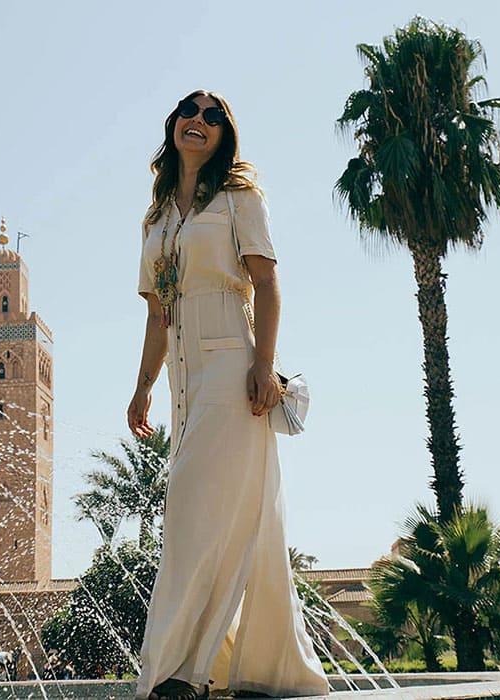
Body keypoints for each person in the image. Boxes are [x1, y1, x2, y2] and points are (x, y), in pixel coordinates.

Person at [128, 90, 328, 700]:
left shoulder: (240, 198)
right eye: (191, 110)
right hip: (184, 381)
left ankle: (179, 672)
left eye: (214, 116)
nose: (200, 120)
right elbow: (158, 316)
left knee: (189, 510)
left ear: (223, 135)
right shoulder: (158, 218)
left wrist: (264, 366)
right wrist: (141, 390)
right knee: (236, 521)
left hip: (231, 365)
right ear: (174, 125)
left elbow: (266, 283)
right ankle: (258, 668)